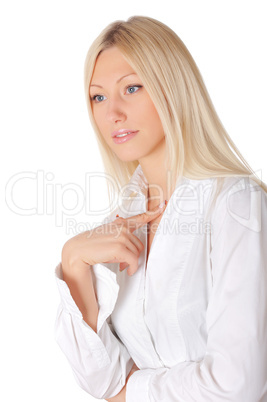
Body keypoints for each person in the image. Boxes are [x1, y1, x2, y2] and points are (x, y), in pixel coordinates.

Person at [54, 15, 267, 402]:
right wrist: (72, 260)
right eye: (98, 96)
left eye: (132, 88)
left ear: (173, 89)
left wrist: (132, 390)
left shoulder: (236, 204)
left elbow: (237, 385)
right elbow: (99, 380)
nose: (111, 112)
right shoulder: (116, 228)